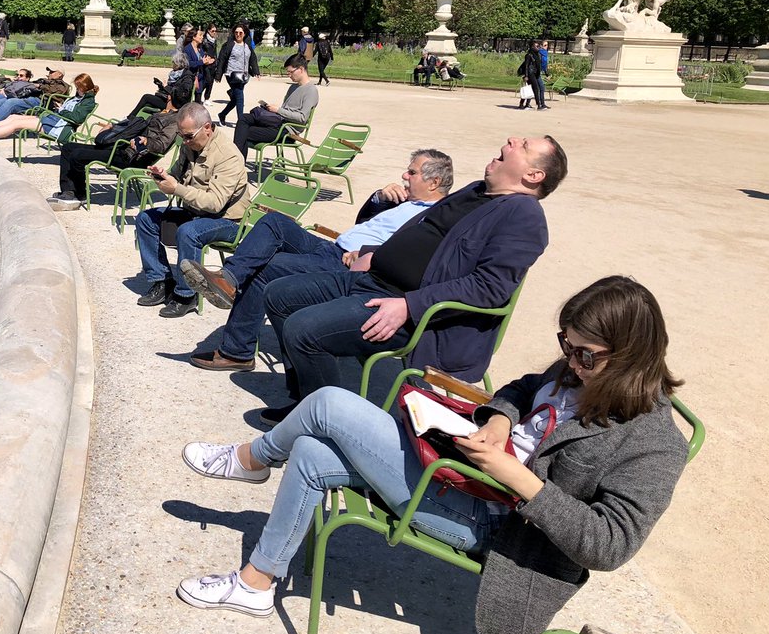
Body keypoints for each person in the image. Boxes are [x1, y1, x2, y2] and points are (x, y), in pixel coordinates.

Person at [175, 275, 688, 634]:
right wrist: (501, 422)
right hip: (463, 475)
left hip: (502, 528)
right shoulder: (575, 373)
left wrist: (518, 478)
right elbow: (520, 390)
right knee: (310, 451)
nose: (571, 363)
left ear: (631, 356)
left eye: (586, 355)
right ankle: (256, 584)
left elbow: (610, 545)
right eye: (565, 345)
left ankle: (252, 460)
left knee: (330, 403)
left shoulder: (654, 443)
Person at [256, 134, 568, 424]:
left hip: (415, 315)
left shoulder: (524, 216)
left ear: (533, 175)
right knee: (279, 294)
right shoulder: (476, 190)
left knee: (303, 329)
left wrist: (409, 305)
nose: (512, 140)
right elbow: (422, 234)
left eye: (523, 146)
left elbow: (489, 288)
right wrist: (373, 253)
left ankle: (322, 421)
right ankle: (307, 395)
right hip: (372, 280)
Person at [185, 150, 454, 371]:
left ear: (434, 183)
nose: (404, 176)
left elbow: (412, 252)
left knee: (266, 268)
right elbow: (362, 222)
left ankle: (237, 352)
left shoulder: (436, 217)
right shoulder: (406, 201)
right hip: (331, 247)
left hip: (346, 264)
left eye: (412, 172)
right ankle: (228, 279)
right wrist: (380, 197)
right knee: (275, 222)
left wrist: (369, 253)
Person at [134, 102, 251, 319]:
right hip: (195, 212)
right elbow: (177, 176)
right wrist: (164, 177)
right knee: (145, 219)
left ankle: (186, 295)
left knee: (189, 231)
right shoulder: (190, 145)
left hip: (227, 220)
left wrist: (176, 188)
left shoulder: (228, 156)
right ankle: (161, 281)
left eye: (188, 136)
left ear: (207, 127)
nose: (185, 141)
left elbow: (215, 203)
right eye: (182, 136)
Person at [48, 80, 191, 211]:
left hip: (130, 157)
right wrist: (113, 127)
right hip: (120, 146)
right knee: (68, 148)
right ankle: (70, 192)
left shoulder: (174, 121)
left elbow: (161, 145)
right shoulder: (162, 112)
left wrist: (147, 141)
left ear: (169, 98)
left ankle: (77, 194)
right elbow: (133, 126)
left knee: (77, 155)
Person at [0, 73, 98, 143]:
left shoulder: (88, 102)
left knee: (17, 124)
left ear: (85, 87)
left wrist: (62, 110)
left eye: (79, 87)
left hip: (60, 127)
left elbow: (77, 118)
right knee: (13, 117)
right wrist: (62, 108)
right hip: (54, 119)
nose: (77, 89)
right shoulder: (79, 97)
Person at [232, 52, 318, 160]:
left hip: (287, 131)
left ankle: (236, 164)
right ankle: (237, 164)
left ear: (300, 69)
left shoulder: (311, 90)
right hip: (278, 122)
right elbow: (285, 110)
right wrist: (273, 109)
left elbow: (302, 118)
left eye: (291, 72)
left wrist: (278, 110)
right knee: (243, 119)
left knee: (244, 132)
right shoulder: (293, 87)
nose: (289, 75)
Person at [215, 23, 260, 126]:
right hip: (231, 74)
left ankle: (222, 114)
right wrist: (218, 75)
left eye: (240, 32)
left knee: (236, 99)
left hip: (243, 76)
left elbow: (252, 58)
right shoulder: (229, 45)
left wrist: (256, 71)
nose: (238, 34)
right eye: (236, 32)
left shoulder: (247, 45)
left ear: (244, 33)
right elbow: (222, 59)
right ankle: (241, 122)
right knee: (240, 96)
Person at [127, 52, 191, 119]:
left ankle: (130, 118)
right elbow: (172, 89)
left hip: (174, 103)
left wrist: (166, 87)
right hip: (168, 99)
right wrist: (161, 86)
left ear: (179, 64)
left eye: (174, 63)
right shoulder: (176, 74)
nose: (172, 65)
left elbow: (181, 93)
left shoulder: (186, 77)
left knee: (146, 97)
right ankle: (136, 119)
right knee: (147, 101)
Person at [183, 28, 214, 103]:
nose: (202, 37)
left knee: (198, 102)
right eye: (200, 35)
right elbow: (189, 64)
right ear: (194, 37)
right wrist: (202, 62)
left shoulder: (200, 48)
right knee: (187, 102)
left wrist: (207, 61)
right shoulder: (187, 49)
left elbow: (203, 59)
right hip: (190, 78)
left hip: (200, 78)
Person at [521, 40, 547, 110]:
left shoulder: (537, 55)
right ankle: (539, 105)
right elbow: (526, 66)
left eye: (539, 46)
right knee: (536, 88)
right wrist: (526, 75)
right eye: (537, 46)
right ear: (532, 47)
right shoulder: (529, 55)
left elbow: (539, 65)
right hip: (530, 73)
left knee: (530, 89)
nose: (538, 48)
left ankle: (523, 104)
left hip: (536, 73)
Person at [200, 24, 219, 101]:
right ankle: (198, 94)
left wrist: (215, 60)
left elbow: (215, 52)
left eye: (215, 31)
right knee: (207, 81)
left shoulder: (214, 40)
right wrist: (206, 58)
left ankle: (207, 98)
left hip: (213, 63)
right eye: (212, 31)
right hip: (206, 64)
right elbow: (201, 50)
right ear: (208, 31)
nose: (214, 32)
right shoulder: (204, 40)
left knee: (211, 82)